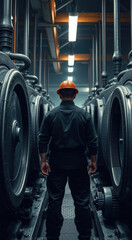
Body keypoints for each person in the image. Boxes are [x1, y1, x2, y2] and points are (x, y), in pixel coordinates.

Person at [38, 80, 97, 240]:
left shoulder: (51, 115)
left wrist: (44, 161)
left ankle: (52, 236)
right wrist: (93, 161)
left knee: (55, 201)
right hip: (78, 162)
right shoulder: (85, 115)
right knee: (82, 201)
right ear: (75, 94)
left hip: (57, 162)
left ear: (60, 94)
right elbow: (92, 141)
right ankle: (85, 235)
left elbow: (42, 139)